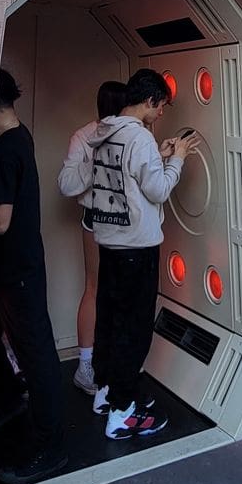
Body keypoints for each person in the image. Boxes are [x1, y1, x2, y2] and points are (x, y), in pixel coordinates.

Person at [0, 69, 66, 484]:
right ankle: (7, 398)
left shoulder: (6, 149)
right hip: (6, 267)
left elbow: (0, 220)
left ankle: (50, 445)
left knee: (36, 355)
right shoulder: (18, 136)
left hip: (16, 269)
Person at [89, 69, 200, 440]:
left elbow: (124, 176)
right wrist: (178, 158)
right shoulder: (138, 138)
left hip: (110, 241)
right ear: (150, 100)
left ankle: (105, 393)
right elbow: (157, 190)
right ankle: (122, 413)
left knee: (110, 320)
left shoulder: (105, 131)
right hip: (137, 246)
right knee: (133, 330)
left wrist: (160, 152)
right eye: (162, 107)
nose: (162, 115)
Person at [57, 81, 127, 395]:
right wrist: (97, 163)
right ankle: (85, 366)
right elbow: (67, 184)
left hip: (129, 223)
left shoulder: (134, 134)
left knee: (122, 291)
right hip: (97, 218)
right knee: (95, 288)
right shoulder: (84, 136)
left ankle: (116, 360)